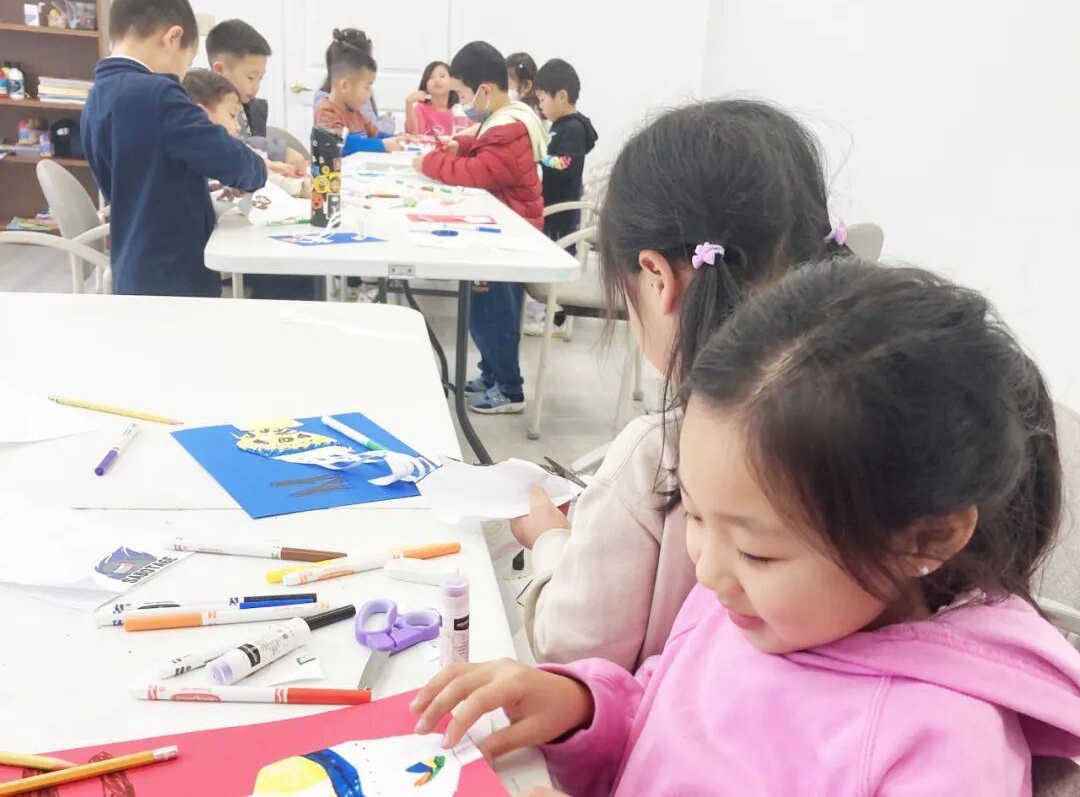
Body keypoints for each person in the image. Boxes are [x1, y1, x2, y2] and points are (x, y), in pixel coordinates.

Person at [413, 259, 1080, 795]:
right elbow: (665, 728)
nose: (707, 569)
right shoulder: (747, 606)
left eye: (758, 552)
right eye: (696, 514)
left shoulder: (947, 747)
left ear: (924, 540)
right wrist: (582, 709)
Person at [509, 100, 851, 670]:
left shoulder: (658, 454)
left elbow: (574, 652)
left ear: (656, 277)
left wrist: (549, 540)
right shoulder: (872, 418)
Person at [81, 0, 267, 297]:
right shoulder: (159, 93)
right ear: (172, 38)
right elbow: (233, 161)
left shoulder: (96, 97)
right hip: (175, 271)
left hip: (131, 265)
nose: (183, 74)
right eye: (188, 60)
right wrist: (258, 167)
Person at [416, 41, 549, 414]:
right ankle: (491, 375)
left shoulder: (509, 129)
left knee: (493, 318)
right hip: (501, 232)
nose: (462, 103)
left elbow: (478, 171)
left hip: (507, 240)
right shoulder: (507, 118)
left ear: (485, 91)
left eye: (462, 94)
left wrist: (429, 164)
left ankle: (509, 389)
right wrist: (458, 144)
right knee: (486, 311)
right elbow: (480, 141)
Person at [523, 57, 599, 337]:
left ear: (562, 96)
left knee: (556, 262)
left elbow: (565, 163)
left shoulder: (572, 128)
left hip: (561, 208)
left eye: (543, 99)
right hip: (555, 201)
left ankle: (556, 320)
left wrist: (539, 156)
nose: (540, 105)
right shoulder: (561, 125)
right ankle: (548, 315)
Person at [182, 69, 309, 199]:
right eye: (232, 115)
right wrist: (301, 187)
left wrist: (272, 167)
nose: (238, 127)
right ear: (201, 115)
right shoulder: (213, 157)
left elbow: (258, 166)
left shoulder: (240, 150)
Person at [205, 19, 307, 172]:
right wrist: (278, 152)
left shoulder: (247, 107)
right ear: (219, 70)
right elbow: (236, 147)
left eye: (260, 78)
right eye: (251, 77)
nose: (256, 86)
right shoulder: (208, 109)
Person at [314, 29, 403, 154]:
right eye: (366, 87)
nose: (369, 93)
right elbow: (339, 143)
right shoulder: (326, 111)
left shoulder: (356, 112)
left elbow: (376, 134)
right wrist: (382, 145)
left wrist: (398, 139)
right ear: (345, 86)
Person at [404, 60, 459, 136]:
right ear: (425, 84)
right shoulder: (421, 108)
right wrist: (408, 103)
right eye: (431, 77)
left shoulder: (459, 110)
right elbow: (413, 134)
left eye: (442, 76)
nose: (437, 80)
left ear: (452, 82)